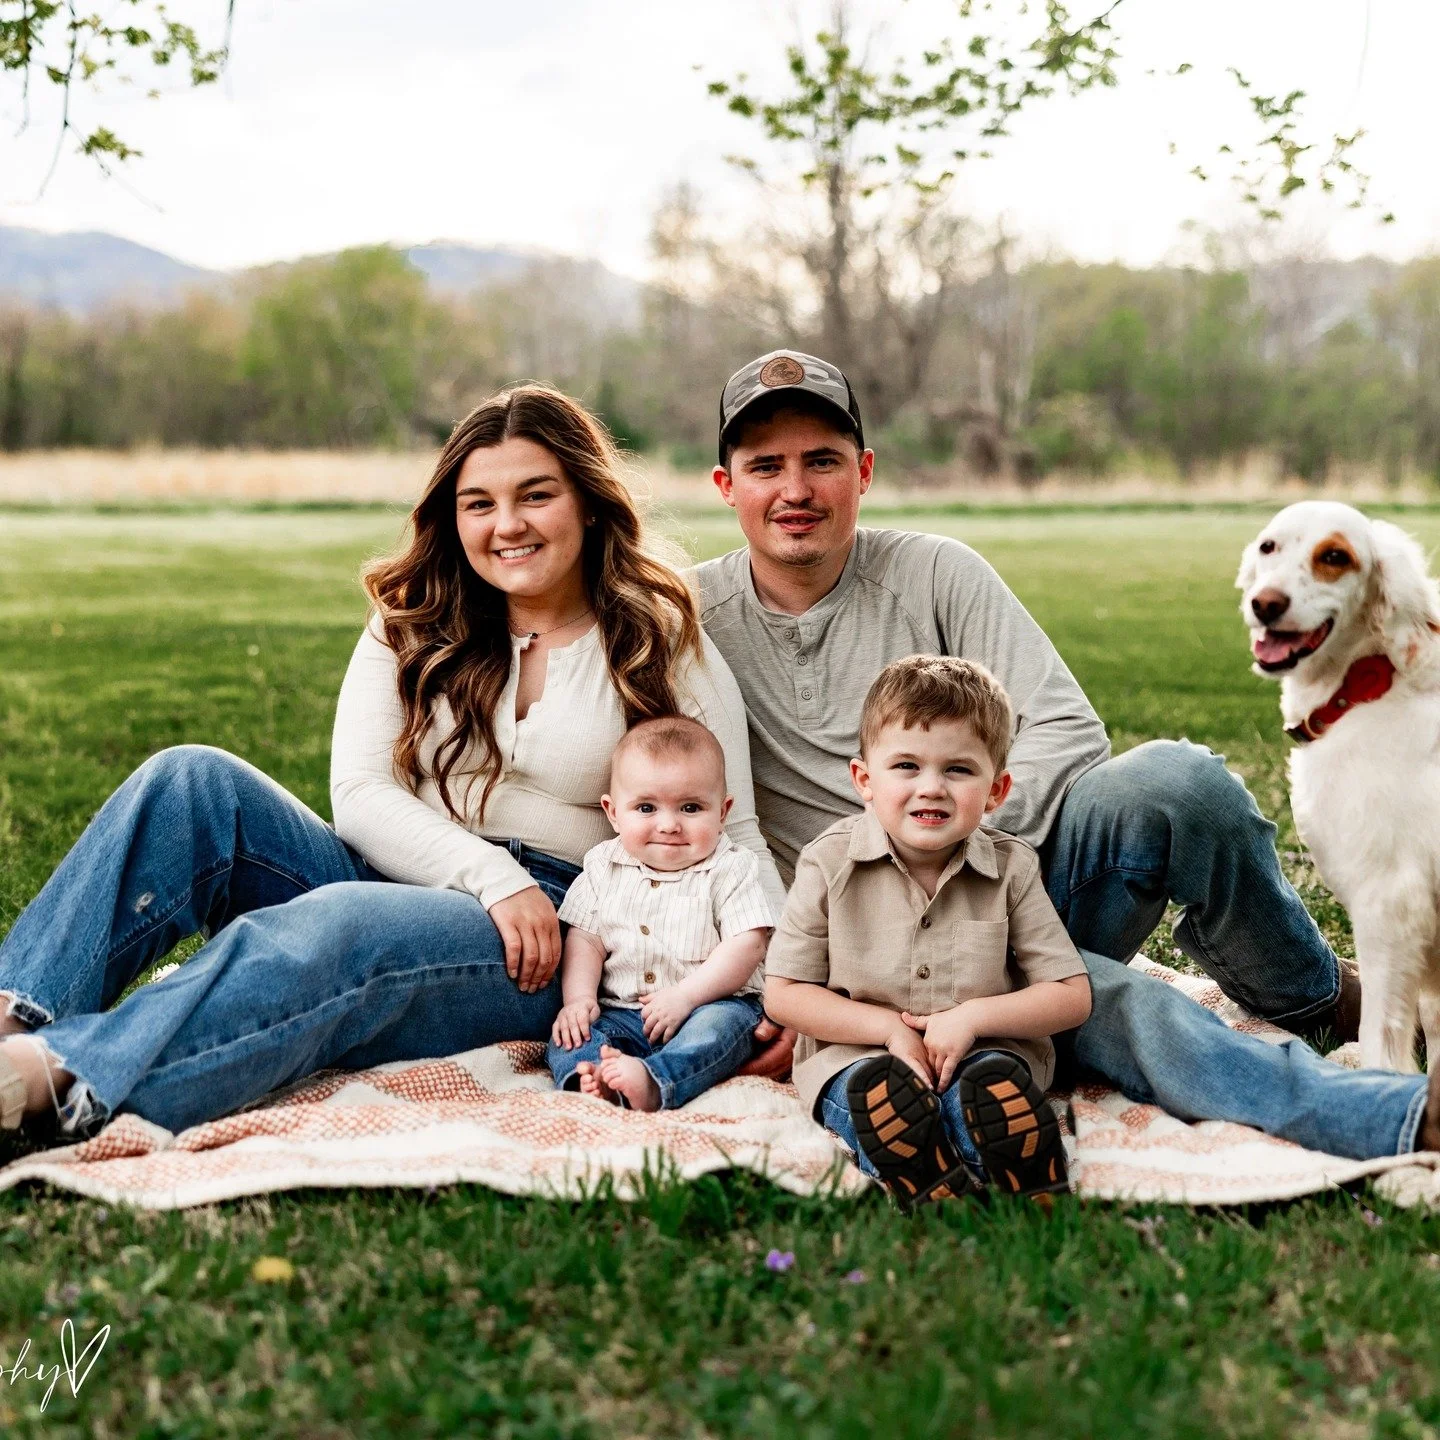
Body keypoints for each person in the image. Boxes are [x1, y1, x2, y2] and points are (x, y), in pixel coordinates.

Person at [701, 348, 1440, 1162]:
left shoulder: (937, 571)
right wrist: (774, 975)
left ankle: (1317, 997)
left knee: (1181, 784)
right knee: (1116, 1002)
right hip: (848, 952)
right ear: (726, 485)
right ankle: (1390, 1114)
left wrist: (961, 858)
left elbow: (1065, 731)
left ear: (865, 471)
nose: (796, 490)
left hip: (1009, 889)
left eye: (822, 462)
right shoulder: (690, 614)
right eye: (765, 466)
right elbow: (696, 810)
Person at [0, 385, 784, 1141]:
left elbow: (737, 829)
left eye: (536, 496)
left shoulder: (656, 637)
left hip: (553, 931)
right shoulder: (411, 616)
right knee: (189, 781)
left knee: (336, 925)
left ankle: (60, 1082)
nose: (507, 524)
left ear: (586, 500)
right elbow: (360, 794)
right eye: (479, 503)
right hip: (407, 870)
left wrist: (780, 990)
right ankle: (13, 1017)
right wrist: (488, 874)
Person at [766, 656, 1091, 1208]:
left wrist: (972, 1018)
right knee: (875, 1094)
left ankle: (1018, 1162)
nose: (932, 788)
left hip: (985, 1056)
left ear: (997, 790)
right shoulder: (827, 863)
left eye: (959, 770)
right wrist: (889, 1030)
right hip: (861, 1056)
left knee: (986, 1090)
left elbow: (1071, 995)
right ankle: (922, 1165)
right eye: (907, 767)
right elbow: (784, 993)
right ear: (864, 779)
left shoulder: (1011, 868)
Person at [547, 715, 777, 1111]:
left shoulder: (731, 867)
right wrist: (579, 999)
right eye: (646, 807)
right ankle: (591, 1079)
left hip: (709, 1005)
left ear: (722, 812)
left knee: (720, 1031)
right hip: (622, 1012)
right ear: (613, 812)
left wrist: (687, 997)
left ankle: (657, 1082)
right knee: (571, 1033)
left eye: (690, 807)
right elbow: (585, 939)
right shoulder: (603, 866)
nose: (669, 825)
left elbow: (748, 943)